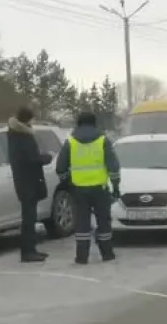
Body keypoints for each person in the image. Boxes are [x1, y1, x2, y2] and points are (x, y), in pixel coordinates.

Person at [56, 110, 121, 264]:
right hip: (100, 188)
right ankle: (107, 253)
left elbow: (60, 168)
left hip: (79, 189)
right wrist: (116, 187)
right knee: (103, 221)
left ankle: (82, 256)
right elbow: (113, 166)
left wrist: (68, 182)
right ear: (94, 123)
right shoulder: (103, 140)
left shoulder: (70, 141)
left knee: (82, 222)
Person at [7, 106, 53, 263]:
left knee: (30, 217)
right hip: (27, 182)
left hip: (25, 180)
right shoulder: (22, 136)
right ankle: (28, 251)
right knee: (28, 218)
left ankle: (31, 249)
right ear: (27, 120)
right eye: (32, 119)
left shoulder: (16, 134)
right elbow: (30, 159)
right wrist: (46, 158)